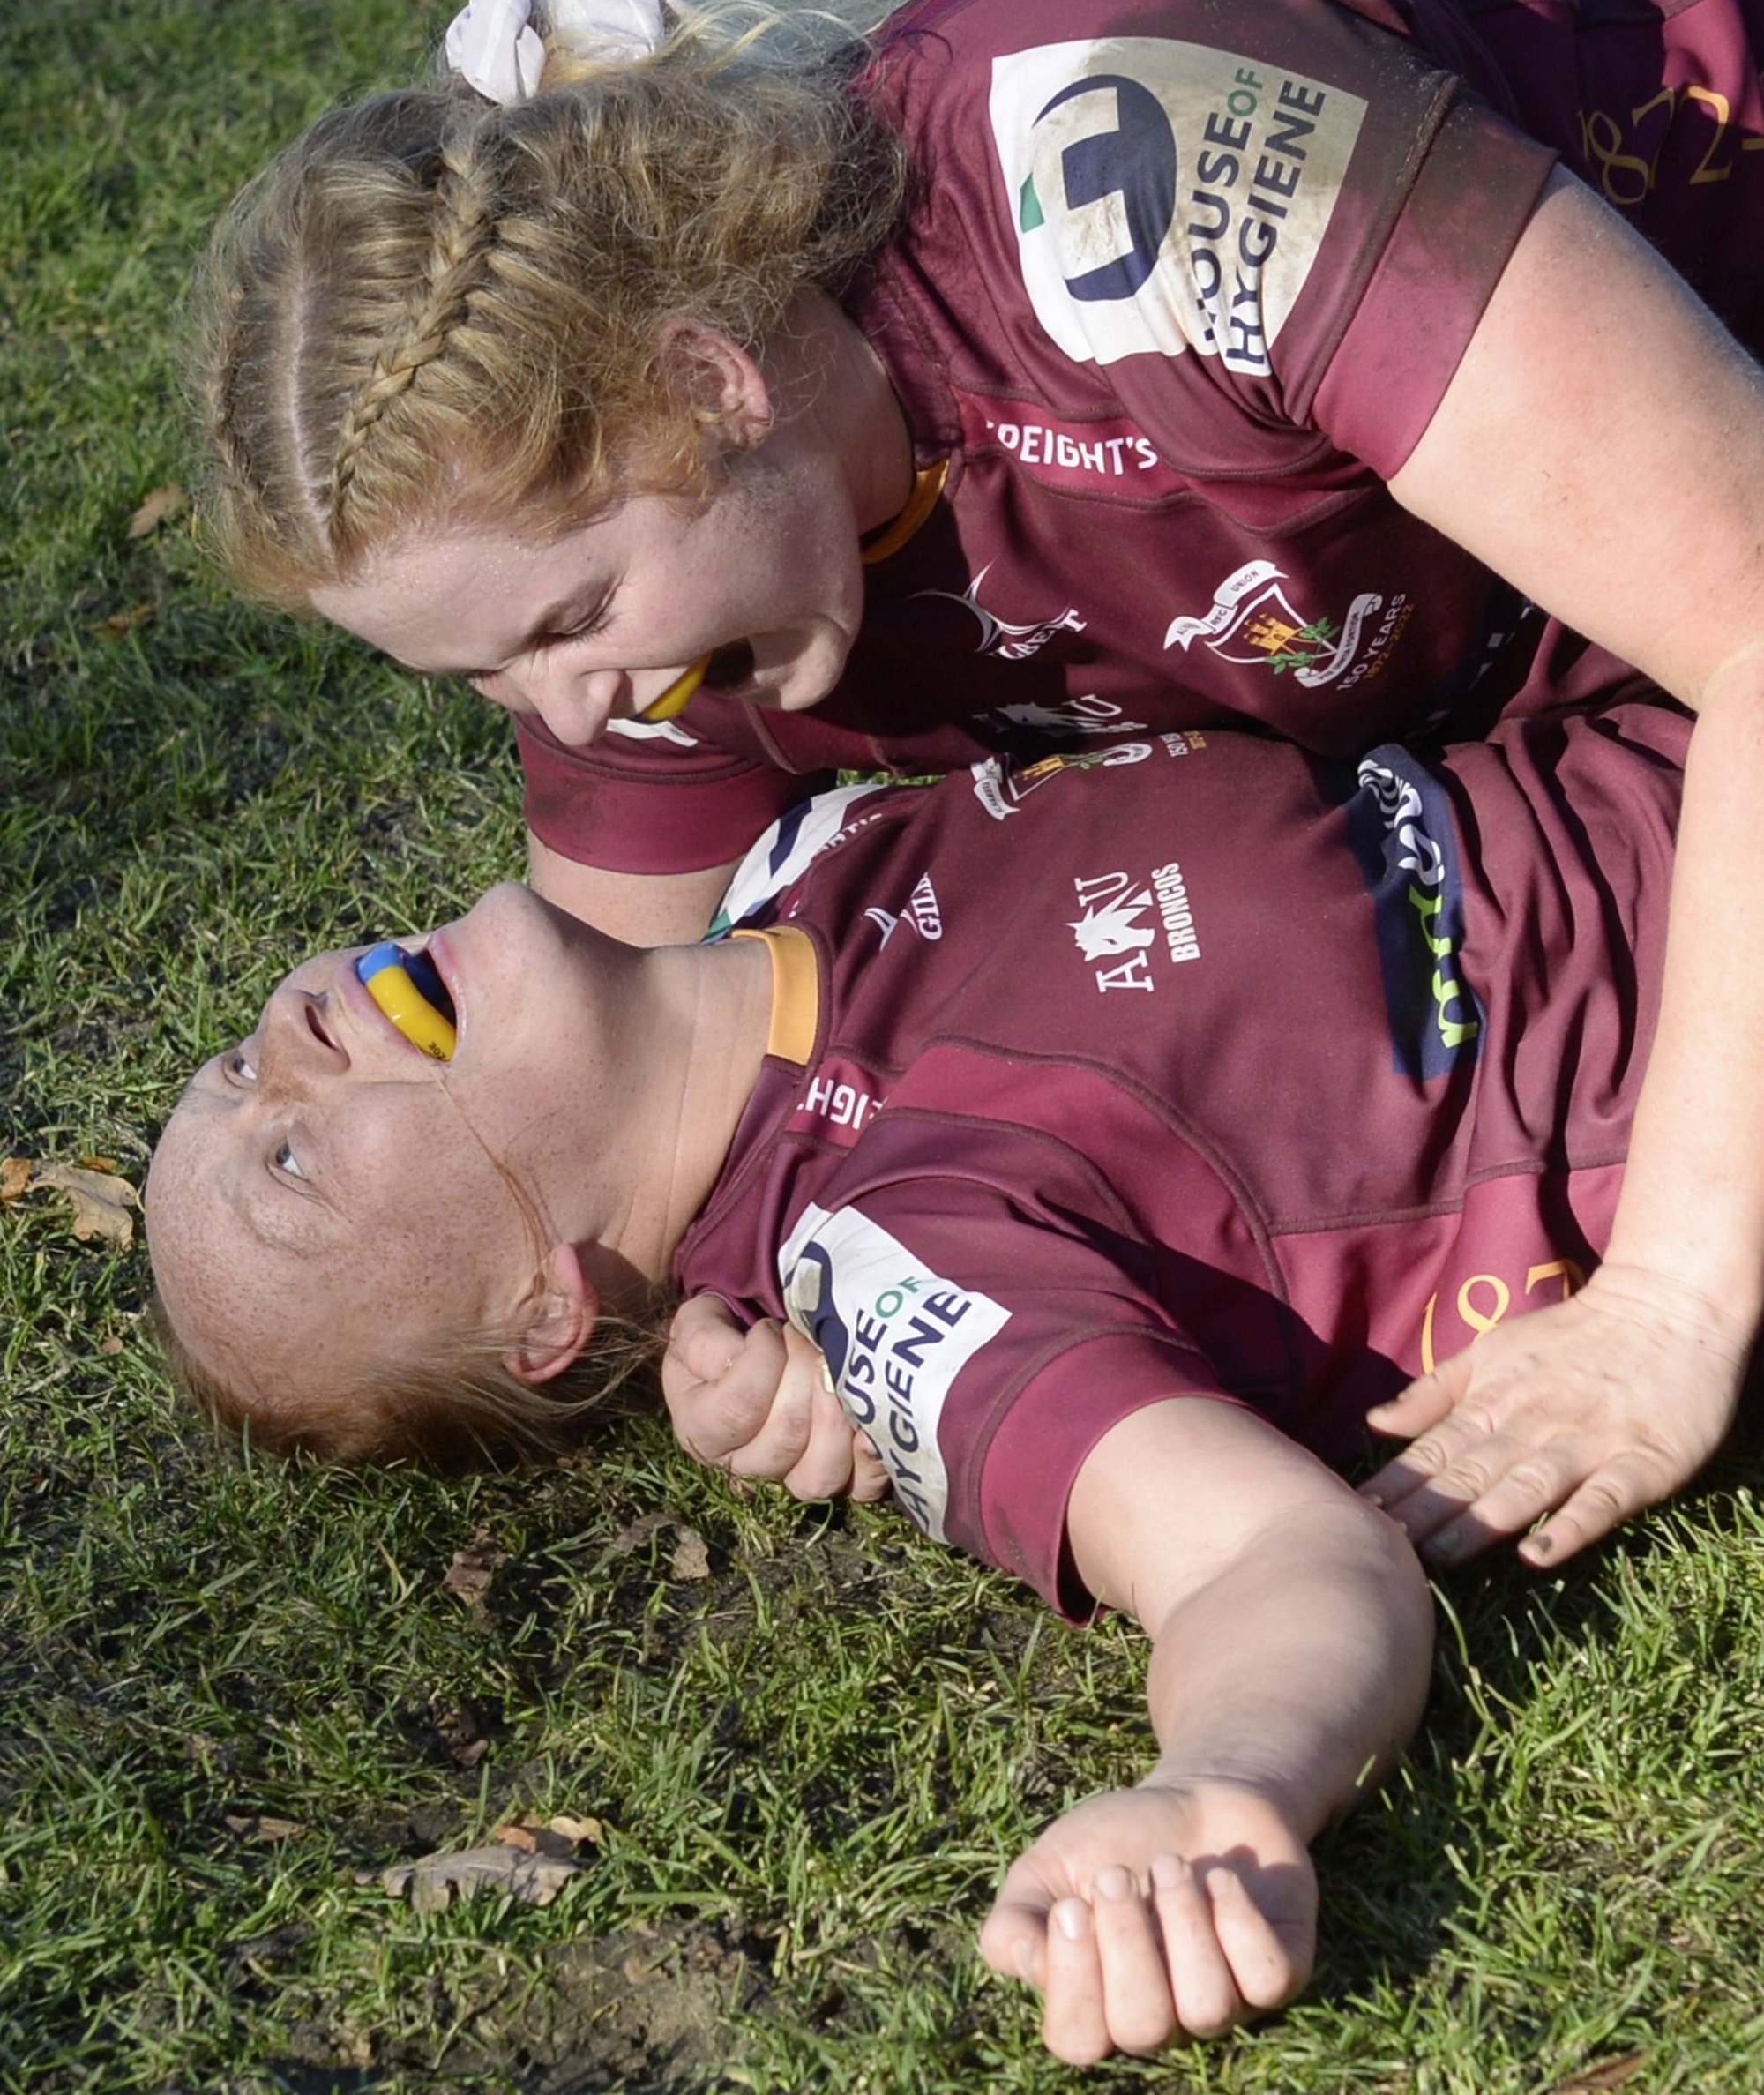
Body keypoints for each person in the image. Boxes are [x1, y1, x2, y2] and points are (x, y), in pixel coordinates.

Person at [193, 0, 1764, 1593]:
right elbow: (639, 1117)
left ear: (709, 381)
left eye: (569, 619)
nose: (571, 719)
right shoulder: (681, 637)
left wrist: (1669, 1302)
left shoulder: (1126, 154)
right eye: (481, 676)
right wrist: (764, 1345)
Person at [148, 700, 1700, 2061]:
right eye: (287, 1155)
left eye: (233, 1067)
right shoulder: (889, 1265)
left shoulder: (790, 849)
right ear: (538, 1317)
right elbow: (1261, 1553)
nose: (284, 1033)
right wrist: (1223, 1780)